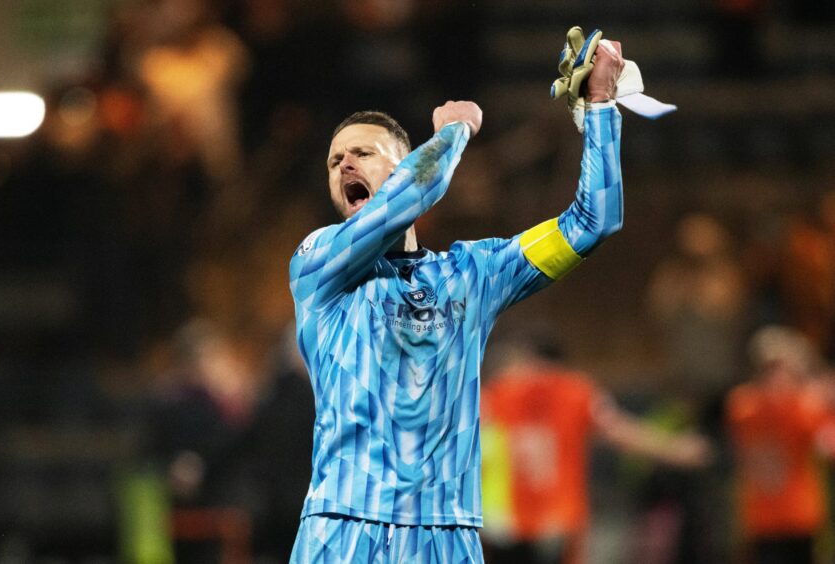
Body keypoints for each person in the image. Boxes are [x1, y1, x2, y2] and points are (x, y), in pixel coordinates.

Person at [288, 34, 625, 562]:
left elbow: (592, 222)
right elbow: (410, 197)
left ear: (403, 165)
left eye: (363, 153)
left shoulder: (475, 273)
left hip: (446, 535)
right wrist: (456, 132)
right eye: (334, 161)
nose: (345, 166)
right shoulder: (318, 263)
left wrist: (602, 108)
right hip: (342, 526)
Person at [479, 331, 713, 564]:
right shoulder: (577, 391)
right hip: (560, 517)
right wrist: (676, 449)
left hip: (507, 521)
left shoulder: (498, 392)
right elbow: (619, 431)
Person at [725, 325, 830, 564]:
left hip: (801, 515)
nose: (777, 378)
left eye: (784, 371)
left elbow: (825, 440)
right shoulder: (744, 407)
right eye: (770, 370)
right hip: (762, 519)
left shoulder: (804, 407)